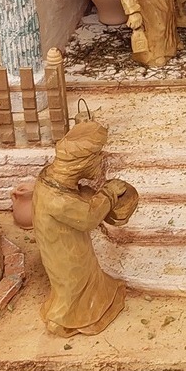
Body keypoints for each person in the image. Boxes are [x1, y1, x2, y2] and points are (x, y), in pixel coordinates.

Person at [32, 119, 138, 337]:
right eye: (98, 156)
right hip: (65, 254)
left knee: (87, 279)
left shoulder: (51, 178)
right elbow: (88, 218)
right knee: (73, 285)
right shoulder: (56, 199)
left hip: (72, 244)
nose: (101, 160)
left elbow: (75, 199)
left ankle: (91, 307)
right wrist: (109, 193)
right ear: (83, 162)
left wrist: (88, 194)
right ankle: (61, 320)